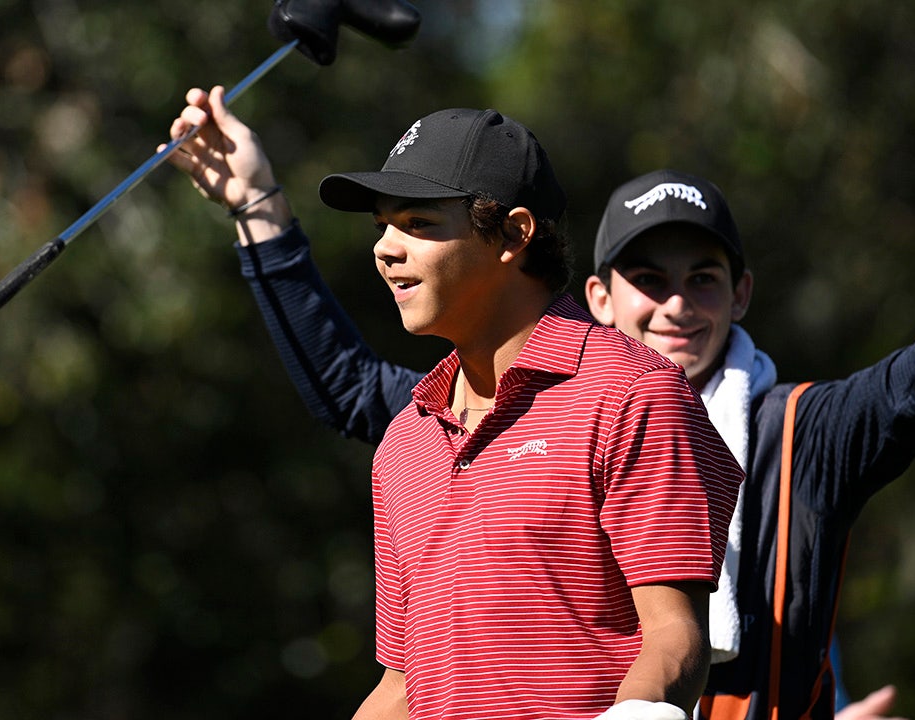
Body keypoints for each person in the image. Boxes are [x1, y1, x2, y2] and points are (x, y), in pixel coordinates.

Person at [165, 16, 915, 719]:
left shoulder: (793, 431)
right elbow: (353, 393)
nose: (675, 306)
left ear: (743, 296)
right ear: (598, 295)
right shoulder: (438, 424)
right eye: (647, 280)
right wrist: (256, 208)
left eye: (704, 280)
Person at [167, 103, 746, 719]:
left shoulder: (633, 392)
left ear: (514, 234)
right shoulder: (406, 440)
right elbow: (400, 686)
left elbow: (673, 636)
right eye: (382, 225)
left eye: (418, 222)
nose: (386, 250)